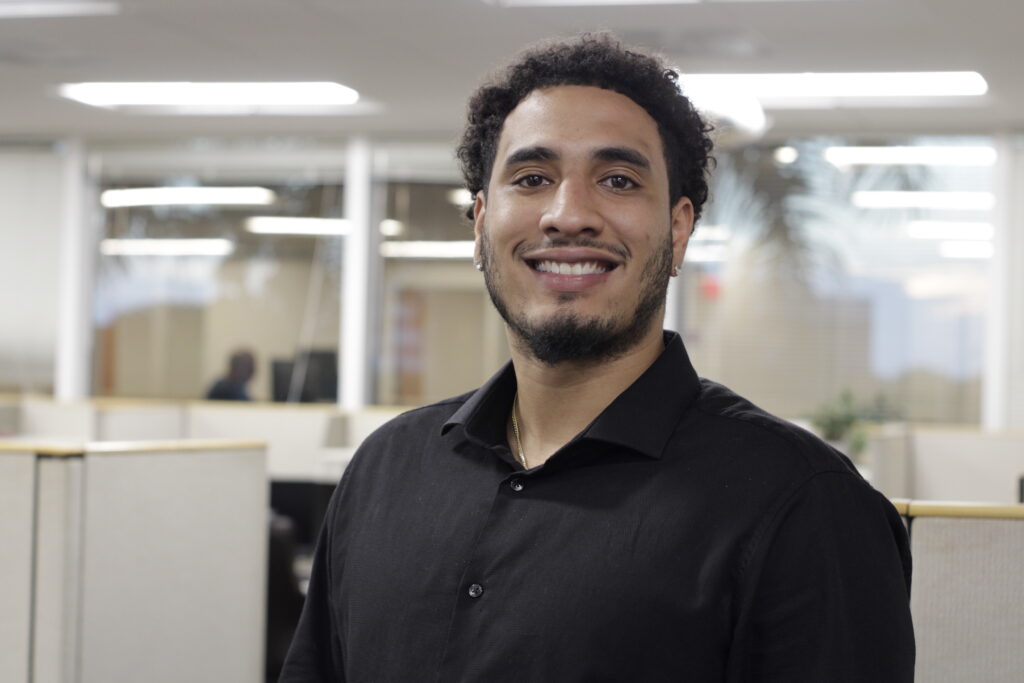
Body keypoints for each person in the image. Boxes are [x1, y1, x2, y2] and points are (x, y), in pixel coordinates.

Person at [280, 34, 914, 682]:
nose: (568, 215)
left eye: (617, 180)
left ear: (678, 229)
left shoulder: (804, 504)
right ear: (480, 223)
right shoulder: (384, 472)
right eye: (532, 179)